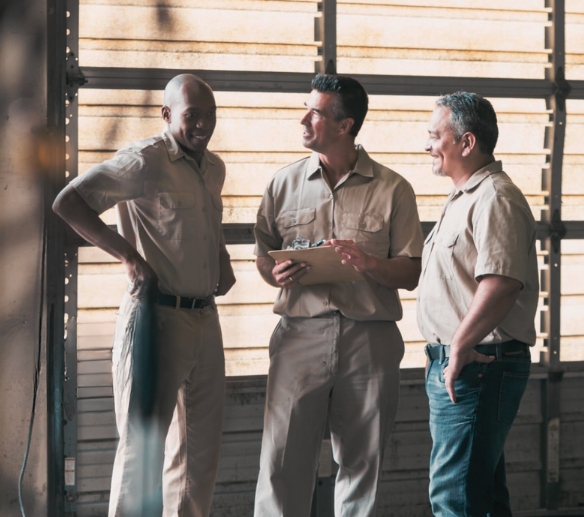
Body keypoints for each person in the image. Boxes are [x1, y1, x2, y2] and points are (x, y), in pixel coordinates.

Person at [52, 74, 235, 517]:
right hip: (156, 319)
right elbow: (68, 202)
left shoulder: (214, 167)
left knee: (198, 456)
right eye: (193, 115)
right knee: (143, 452)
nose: (203, 125)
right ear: (167, 114)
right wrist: (129, 257)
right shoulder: (144, 161)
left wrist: (222, 257)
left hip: (204, 320)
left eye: (210, 116)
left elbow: (203, 225)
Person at [253, 73, 424, 516]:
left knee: (361, 465)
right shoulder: (282, 185)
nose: (304, 119)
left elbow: (410, 272)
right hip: (298, 337)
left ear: (345, 125)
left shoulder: (393, 189)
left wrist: (369, 263)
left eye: (315, 112)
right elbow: (263, 259)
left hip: (369, 341)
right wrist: (278, 273)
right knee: (282, 462)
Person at [417, 92, 539, 517]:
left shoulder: (495, 198)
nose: (428, 145)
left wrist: (458, 348)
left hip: (477, 363)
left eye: (436, 136)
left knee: (455, 498)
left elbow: (502, 283)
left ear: (466, 143)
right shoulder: (464, 198)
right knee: (481, 497)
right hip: (463, 361)